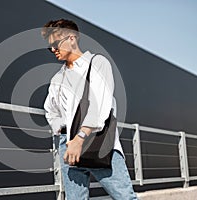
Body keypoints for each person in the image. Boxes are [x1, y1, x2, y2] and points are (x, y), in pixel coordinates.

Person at [42, 19, 138, 200]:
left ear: (72, 38)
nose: (53, 50)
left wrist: (81, 137)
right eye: (50, 47)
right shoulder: (57, 78)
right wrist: (62, 132)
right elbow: (50, 109)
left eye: (55, 44)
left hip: (97, 140)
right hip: (68, 145)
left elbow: (100, 105)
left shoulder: (97, 63)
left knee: (124, 197)